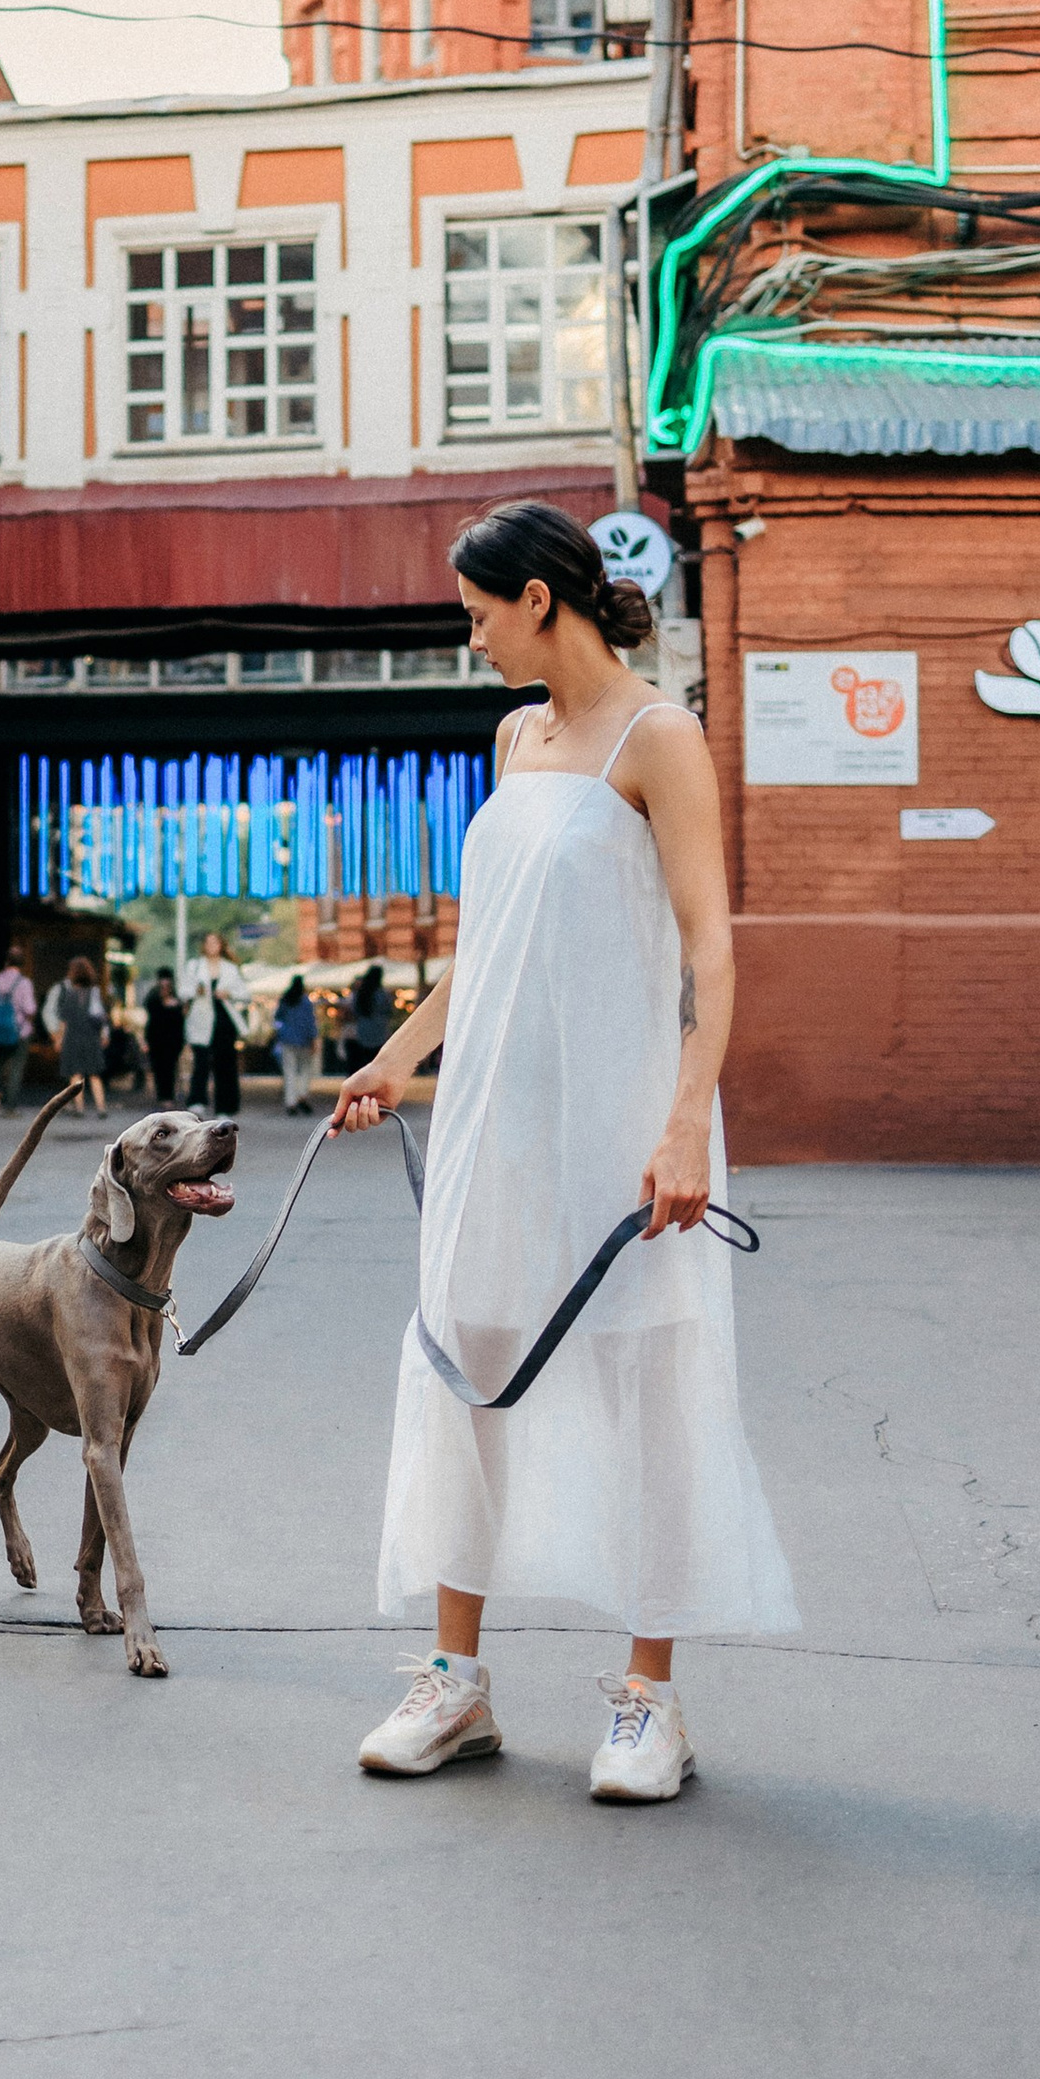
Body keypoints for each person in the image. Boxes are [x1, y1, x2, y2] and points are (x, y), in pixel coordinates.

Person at [340, 498, 796, 1804]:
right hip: (497, 1122)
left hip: (625, 1124)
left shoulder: (660, 738)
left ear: (539, 601)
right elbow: (489, 951)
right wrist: (397, 1059)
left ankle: (652, 1701)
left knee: (647, 1391)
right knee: (466, 1367)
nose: (471, 636)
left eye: (478, 613)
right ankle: (456, 1680)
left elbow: (711, 945)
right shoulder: (514, 735)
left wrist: (682, 1127)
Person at [180, 929, 248, 1121]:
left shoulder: (230, 968)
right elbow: (183, 990)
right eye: (208, 942)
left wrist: (228, 993)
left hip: (224, 1021)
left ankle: (224, 1107)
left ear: (221, 945)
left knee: (225, 1065)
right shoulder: (194, 966)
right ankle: (197, 1101)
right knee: (201, 1062)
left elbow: (243, 992)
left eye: (215, 942)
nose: (212, 946)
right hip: (201, 1020)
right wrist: (196, 991)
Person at [47, 954, 110, 1112]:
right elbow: (101, 1017)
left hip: (72, 1038)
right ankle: (101, 1107)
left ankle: (79, 1107)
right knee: (95, 1075)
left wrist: (59, 1039)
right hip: (91, 1037)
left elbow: (64, 1021)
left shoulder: (69, 994)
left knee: (76, 1074)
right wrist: (104, 1034)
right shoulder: (94, 993)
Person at [0, 943, 37, 1112]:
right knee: (16, 1068)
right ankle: (10, 1105)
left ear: (6, 961)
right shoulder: (24, 983)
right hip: (20, 1030)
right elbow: (30, 1009)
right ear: (22, 963)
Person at [272, 971, 321, 1116]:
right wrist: (313, 1039)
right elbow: (310, 1022)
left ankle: (290, 1101)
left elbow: (277, 1017)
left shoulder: (285, 999)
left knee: (289, 1071)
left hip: (287, 1039)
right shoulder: (306, 1002)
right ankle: (302, 1095)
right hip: (304, 1040)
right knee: (305, 1070)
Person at [142, 966, 185, 1106]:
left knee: (170, 1068)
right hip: (157, 1039)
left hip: (172, 1039)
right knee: (159, 1068)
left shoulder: (176, 998)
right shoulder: (154, 997)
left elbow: (180, 1018)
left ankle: (168, 1096)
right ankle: (163, 1096)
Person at [344, 961, 395, 1068]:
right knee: (376, 1061)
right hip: (380, 1030)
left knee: (363, 1062)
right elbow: (389, 1011)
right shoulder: (382, 994)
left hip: (362, 1030)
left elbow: (354, 1011)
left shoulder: (361, 993)